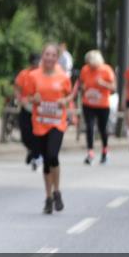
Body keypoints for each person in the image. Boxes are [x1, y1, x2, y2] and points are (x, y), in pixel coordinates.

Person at [25, 43, 76, 214]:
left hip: (56, 122)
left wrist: (64, 101)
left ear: (57, 58)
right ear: (42, 56)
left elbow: (69, 95)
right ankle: (48, 197)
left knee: (53, 155)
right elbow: (26, 97)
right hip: (40, 123)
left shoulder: (63, 77)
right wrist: (33, 99)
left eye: (53, 55)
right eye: (47, 54)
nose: (49, 58)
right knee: (46, 160)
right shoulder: (33, 76)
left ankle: (57, 191)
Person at [77, 49, 116, 165]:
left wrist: (103, 84)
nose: (90, 66)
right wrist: (82, 87)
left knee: (102, 128)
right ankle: (90, 152)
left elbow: (113, 88)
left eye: (91, 63)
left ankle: (105, 151)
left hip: (102, 104)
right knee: (89, 127)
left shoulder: (106, 70)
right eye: (88, 63)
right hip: (88, 103)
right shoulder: (85, 69)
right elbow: (81, 83)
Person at [14, 53, 41, 170]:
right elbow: (17, 88)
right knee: (25, 134)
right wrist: (20, 99)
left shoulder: (43, 74)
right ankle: (31, 149)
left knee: (37, 133)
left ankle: (36, 156)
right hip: (26, 106)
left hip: (39, 109)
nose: (36, 65)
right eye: (34, 63)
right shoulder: (24, 74)